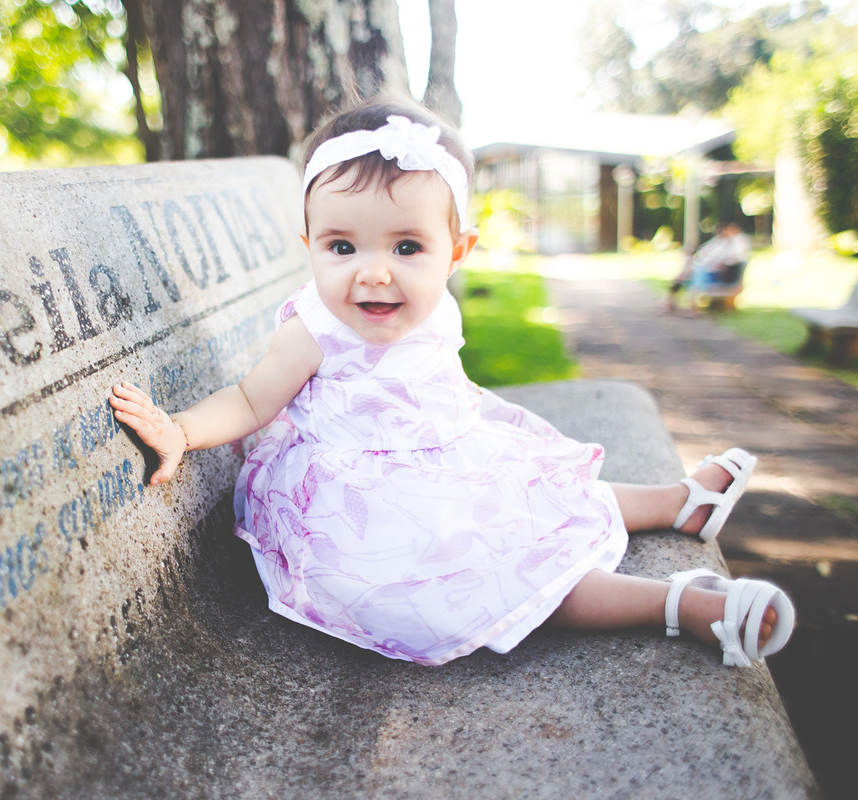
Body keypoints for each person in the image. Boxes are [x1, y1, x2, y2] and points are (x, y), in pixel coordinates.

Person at [109, 98, 794, 668]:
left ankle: (679, 503)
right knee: (497, 572)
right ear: (310, 244)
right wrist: (181, 431)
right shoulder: (315, 329)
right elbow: (253, 400)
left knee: (543, 488)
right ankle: (679, 602)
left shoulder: (435, 308)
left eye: (406, 247)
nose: (373, 272)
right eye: (342, 247)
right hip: (365, 500)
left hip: (454, 454)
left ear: (456, 252)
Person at [667, 219, 750, 311]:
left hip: (715, 273)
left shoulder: (734, 243)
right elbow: (702, 253)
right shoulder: (717, 241)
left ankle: (682, 303)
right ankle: (676, 301)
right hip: (705, 269)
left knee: (693, 272)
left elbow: (732, 259)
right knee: (690, 271)